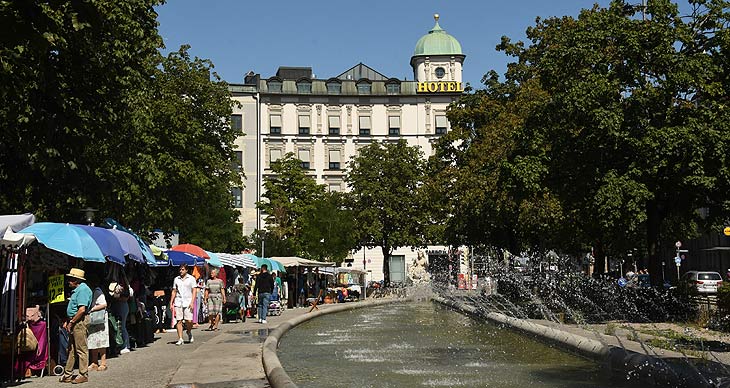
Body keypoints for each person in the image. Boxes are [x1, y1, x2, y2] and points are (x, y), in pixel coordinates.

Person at [59, 268, 92, 384]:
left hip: (79, 322)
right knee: (72, 349)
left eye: (70, 279)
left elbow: (82, 310)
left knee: (81, 349)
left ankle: (83, 374)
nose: (68, 281)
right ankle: (68, 374)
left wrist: (72, 321)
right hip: (75, 321)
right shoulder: (78, 290)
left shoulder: (82, 290)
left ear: (76, 280)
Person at [170, 264, 197, 345]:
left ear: (186, 270)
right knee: (179, 320)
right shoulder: (176, 279)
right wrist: (171, 302)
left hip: (188, 301)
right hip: (178, 301)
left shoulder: (191, 278)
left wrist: (192, 302)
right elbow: (174, 291)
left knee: (189, 320)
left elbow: (194, 290)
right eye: (180, 270)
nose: (181, 271)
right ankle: (180, 338)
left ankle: (189, 331)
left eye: (182, 269)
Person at [87, 283, 109, 372]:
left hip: (99, 318)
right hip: (93, 319)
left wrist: (92, 309)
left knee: (102, 340)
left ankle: (103, 363)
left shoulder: (97, 291)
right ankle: (94, 362)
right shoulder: (92, 291)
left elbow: (104, 304)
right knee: (92, 340)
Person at [109, 279, 132, 354]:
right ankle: (121, 345)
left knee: (122, 326)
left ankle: (125, 345)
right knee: (118, 326)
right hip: (119, 306)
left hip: (122, 306)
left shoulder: (124, 285)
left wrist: (116, 297)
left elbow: (126, 297)